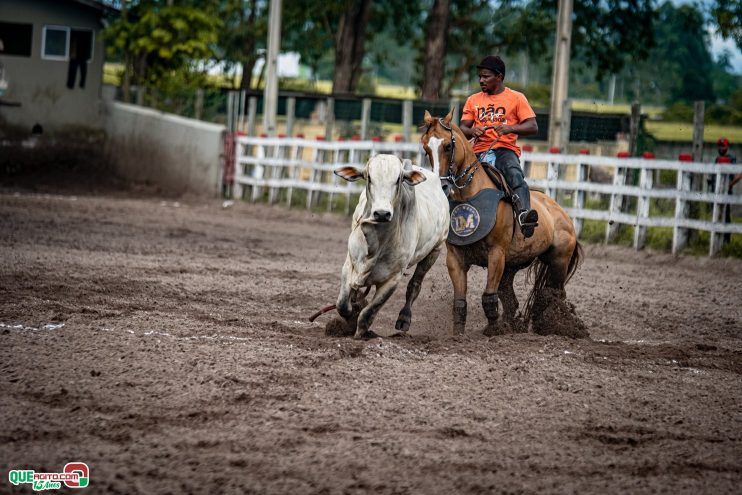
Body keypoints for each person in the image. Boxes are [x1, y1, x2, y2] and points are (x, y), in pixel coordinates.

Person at [460, 55, 539, 238]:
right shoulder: (473, 100)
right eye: (480, 76)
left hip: (504, 149)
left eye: (486, 76)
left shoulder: (517, 98)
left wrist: (510, 128)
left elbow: (533, 126)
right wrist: (473, 132)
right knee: (455, 176)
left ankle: (524, 215)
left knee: (514, 173)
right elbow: (463, 127)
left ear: (499, 76)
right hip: (478, 151)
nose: (481, 80)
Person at [715, 137, 740, 243]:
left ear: (727, 147)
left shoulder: (731, 158)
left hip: (726, 190)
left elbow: (739, 174)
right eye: (719, 146)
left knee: (725, 213)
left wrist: (730, 184)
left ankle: (726, 239)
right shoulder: (717, 159)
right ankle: (717, 237)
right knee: (717, 213)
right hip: (717, 190)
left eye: (723, 146)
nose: (721, 148)